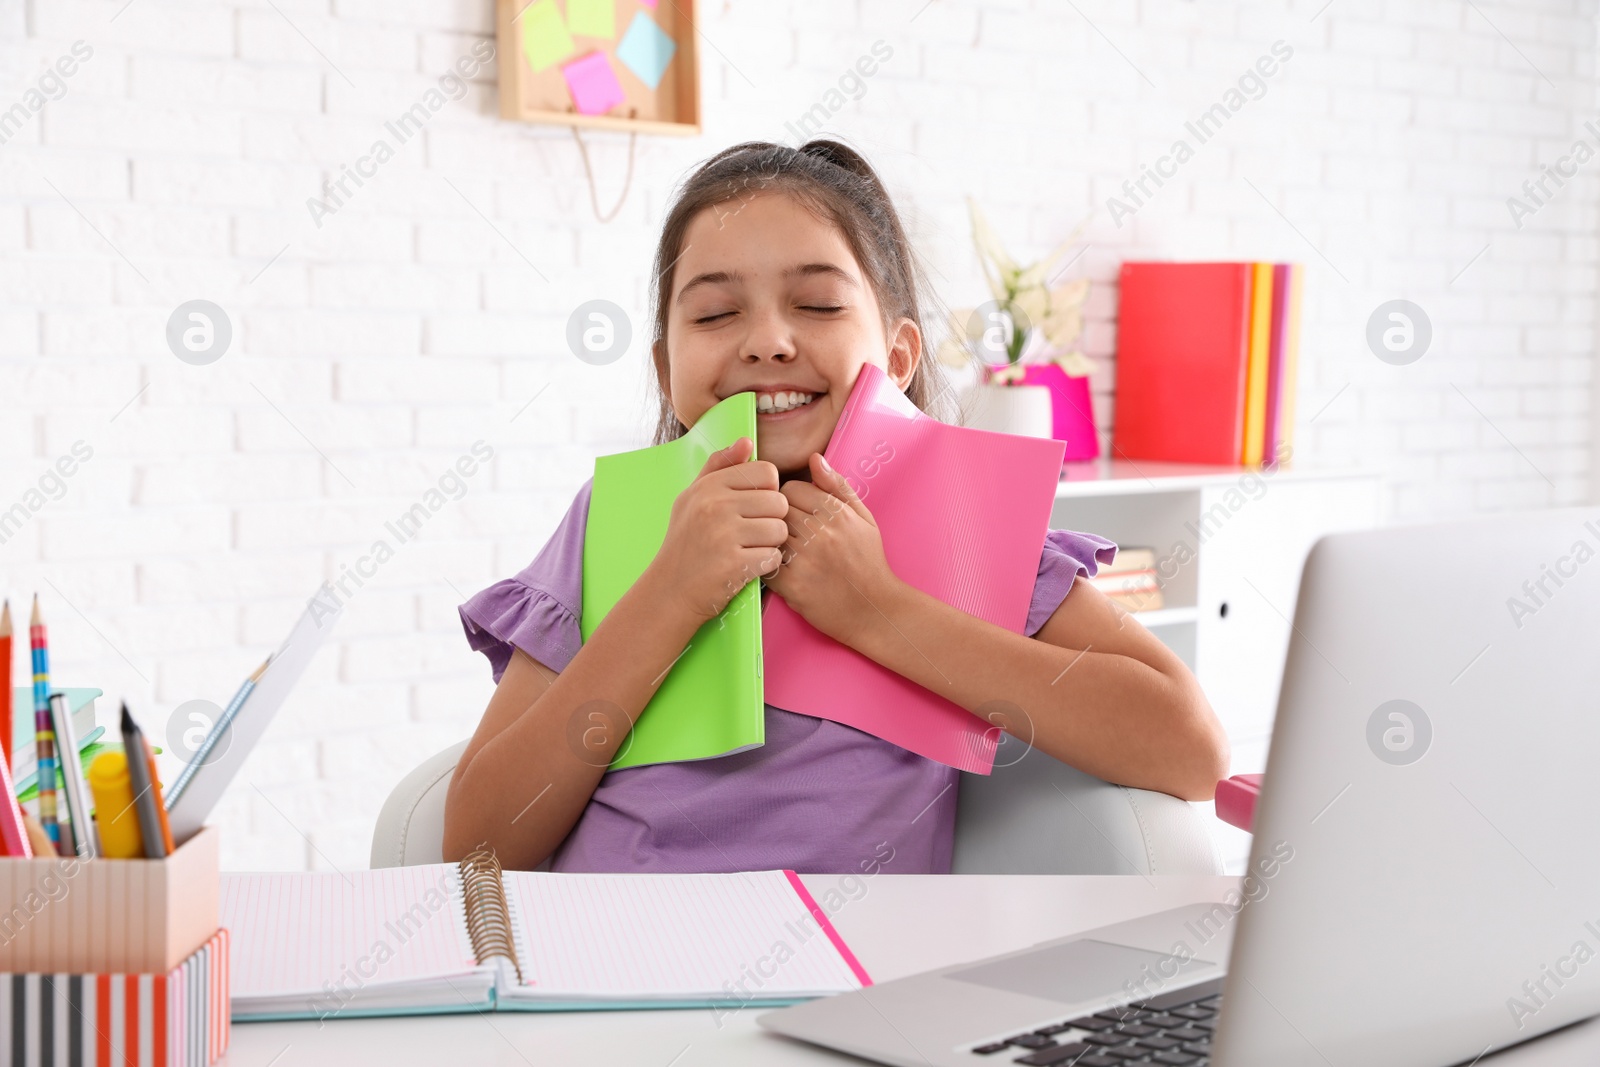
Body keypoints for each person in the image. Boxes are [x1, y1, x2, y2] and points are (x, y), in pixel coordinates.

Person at [444, 140, 1228, 874]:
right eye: (716, 314)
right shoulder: (616, 515)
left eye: (817, 304)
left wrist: (877, 611)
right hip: (598, 970)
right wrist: (671, 592)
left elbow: (1190, 748)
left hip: (843, 987)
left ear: (896, 354)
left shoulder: (963, 524)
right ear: (665, 367)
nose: (767, 341)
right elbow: (476, 848)